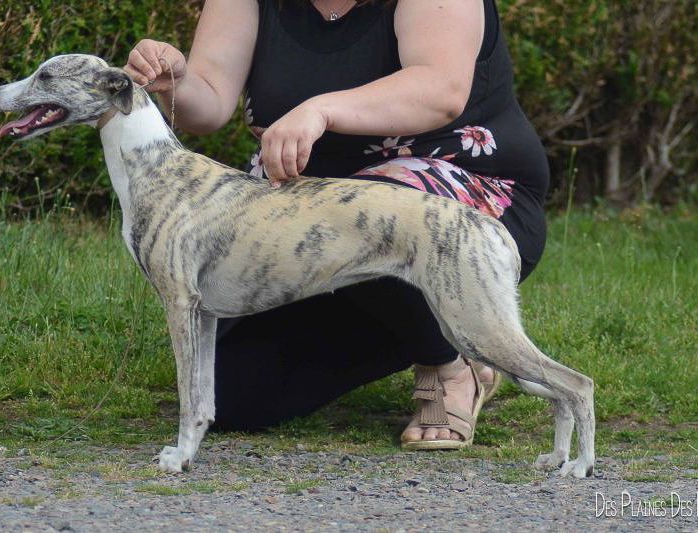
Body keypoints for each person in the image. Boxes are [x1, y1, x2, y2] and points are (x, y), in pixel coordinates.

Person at [124, 0, 549, 449]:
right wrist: (178, 80)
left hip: (453, 200)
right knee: (236, 396)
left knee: (360, 217)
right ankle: (423, 323)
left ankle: (450, 361)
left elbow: (440, 90)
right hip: (306, 206)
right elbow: (207, 107)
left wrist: (321, 110)